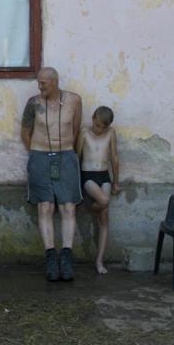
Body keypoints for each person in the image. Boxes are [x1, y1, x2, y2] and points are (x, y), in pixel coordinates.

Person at [21, 67, 83, 282]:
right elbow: (25, 131)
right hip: (40, 155)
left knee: (68, 206)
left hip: (65, 155)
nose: (40, 87)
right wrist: (37, 152)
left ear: (55, 82)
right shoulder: (33, 103)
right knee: (45, 206)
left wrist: (66, 151)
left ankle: (66, 257)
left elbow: (76, 130)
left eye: (43, 83)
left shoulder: (74, 100)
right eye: (38, 83)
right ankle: (50, 257)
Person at [76, 106, 119, 274]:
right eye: (97, 125)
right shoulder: (85, 132)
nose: (99, 129)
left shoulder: (111, 133)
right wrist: (76, 183)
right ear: (92, 118)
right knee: (104, 201)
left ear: (107, 126)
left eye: (102, 127)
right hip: (88, 176)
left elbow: (114, 158)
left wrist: (116, 181)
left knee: (104, 217)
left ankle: (99, 260)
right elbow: (76, 156)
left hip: (104, 175)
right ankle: (88, 207)